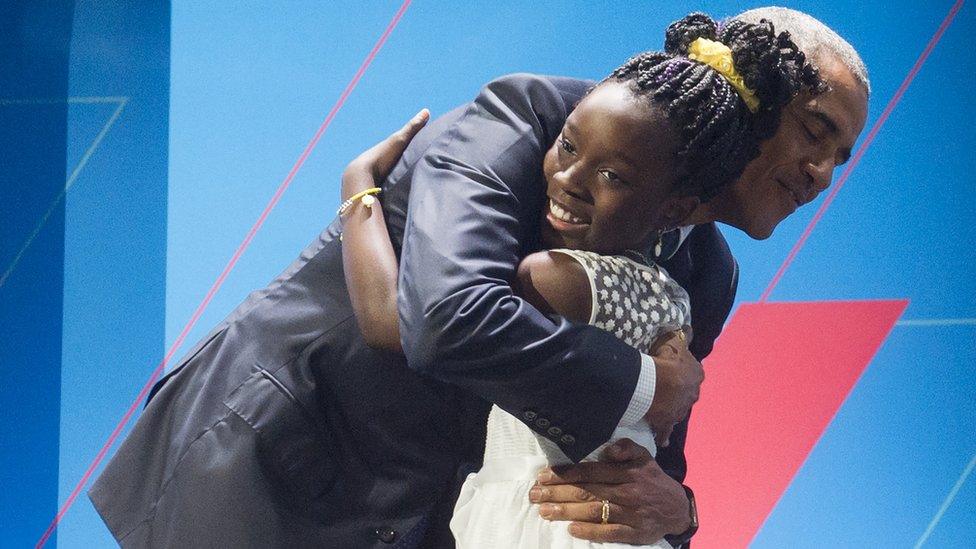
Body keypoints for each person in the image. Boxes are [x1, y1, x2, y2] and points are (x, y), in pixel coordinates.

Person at [89, 8, 868, 548]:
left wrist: (677, 507)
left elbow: (638, 444)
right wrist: (646, 384)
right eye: (817, 130)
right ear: (752, 93)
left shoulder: (709, 270)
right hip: (272, 475)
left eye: (842, 154)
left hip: (424, 512)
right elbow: (449, 317)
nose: (824, 172)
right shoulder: (524, 116)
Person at [338, 13, 818, 548]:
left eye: (613, 176)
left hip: (550, 526)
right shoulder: (668, 292)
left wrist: (357, 190)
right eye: (566, 146)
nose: (568, 179)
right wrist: (650, 388)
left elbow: (409, 320)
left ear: (674, 209)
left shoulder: (559, 276)